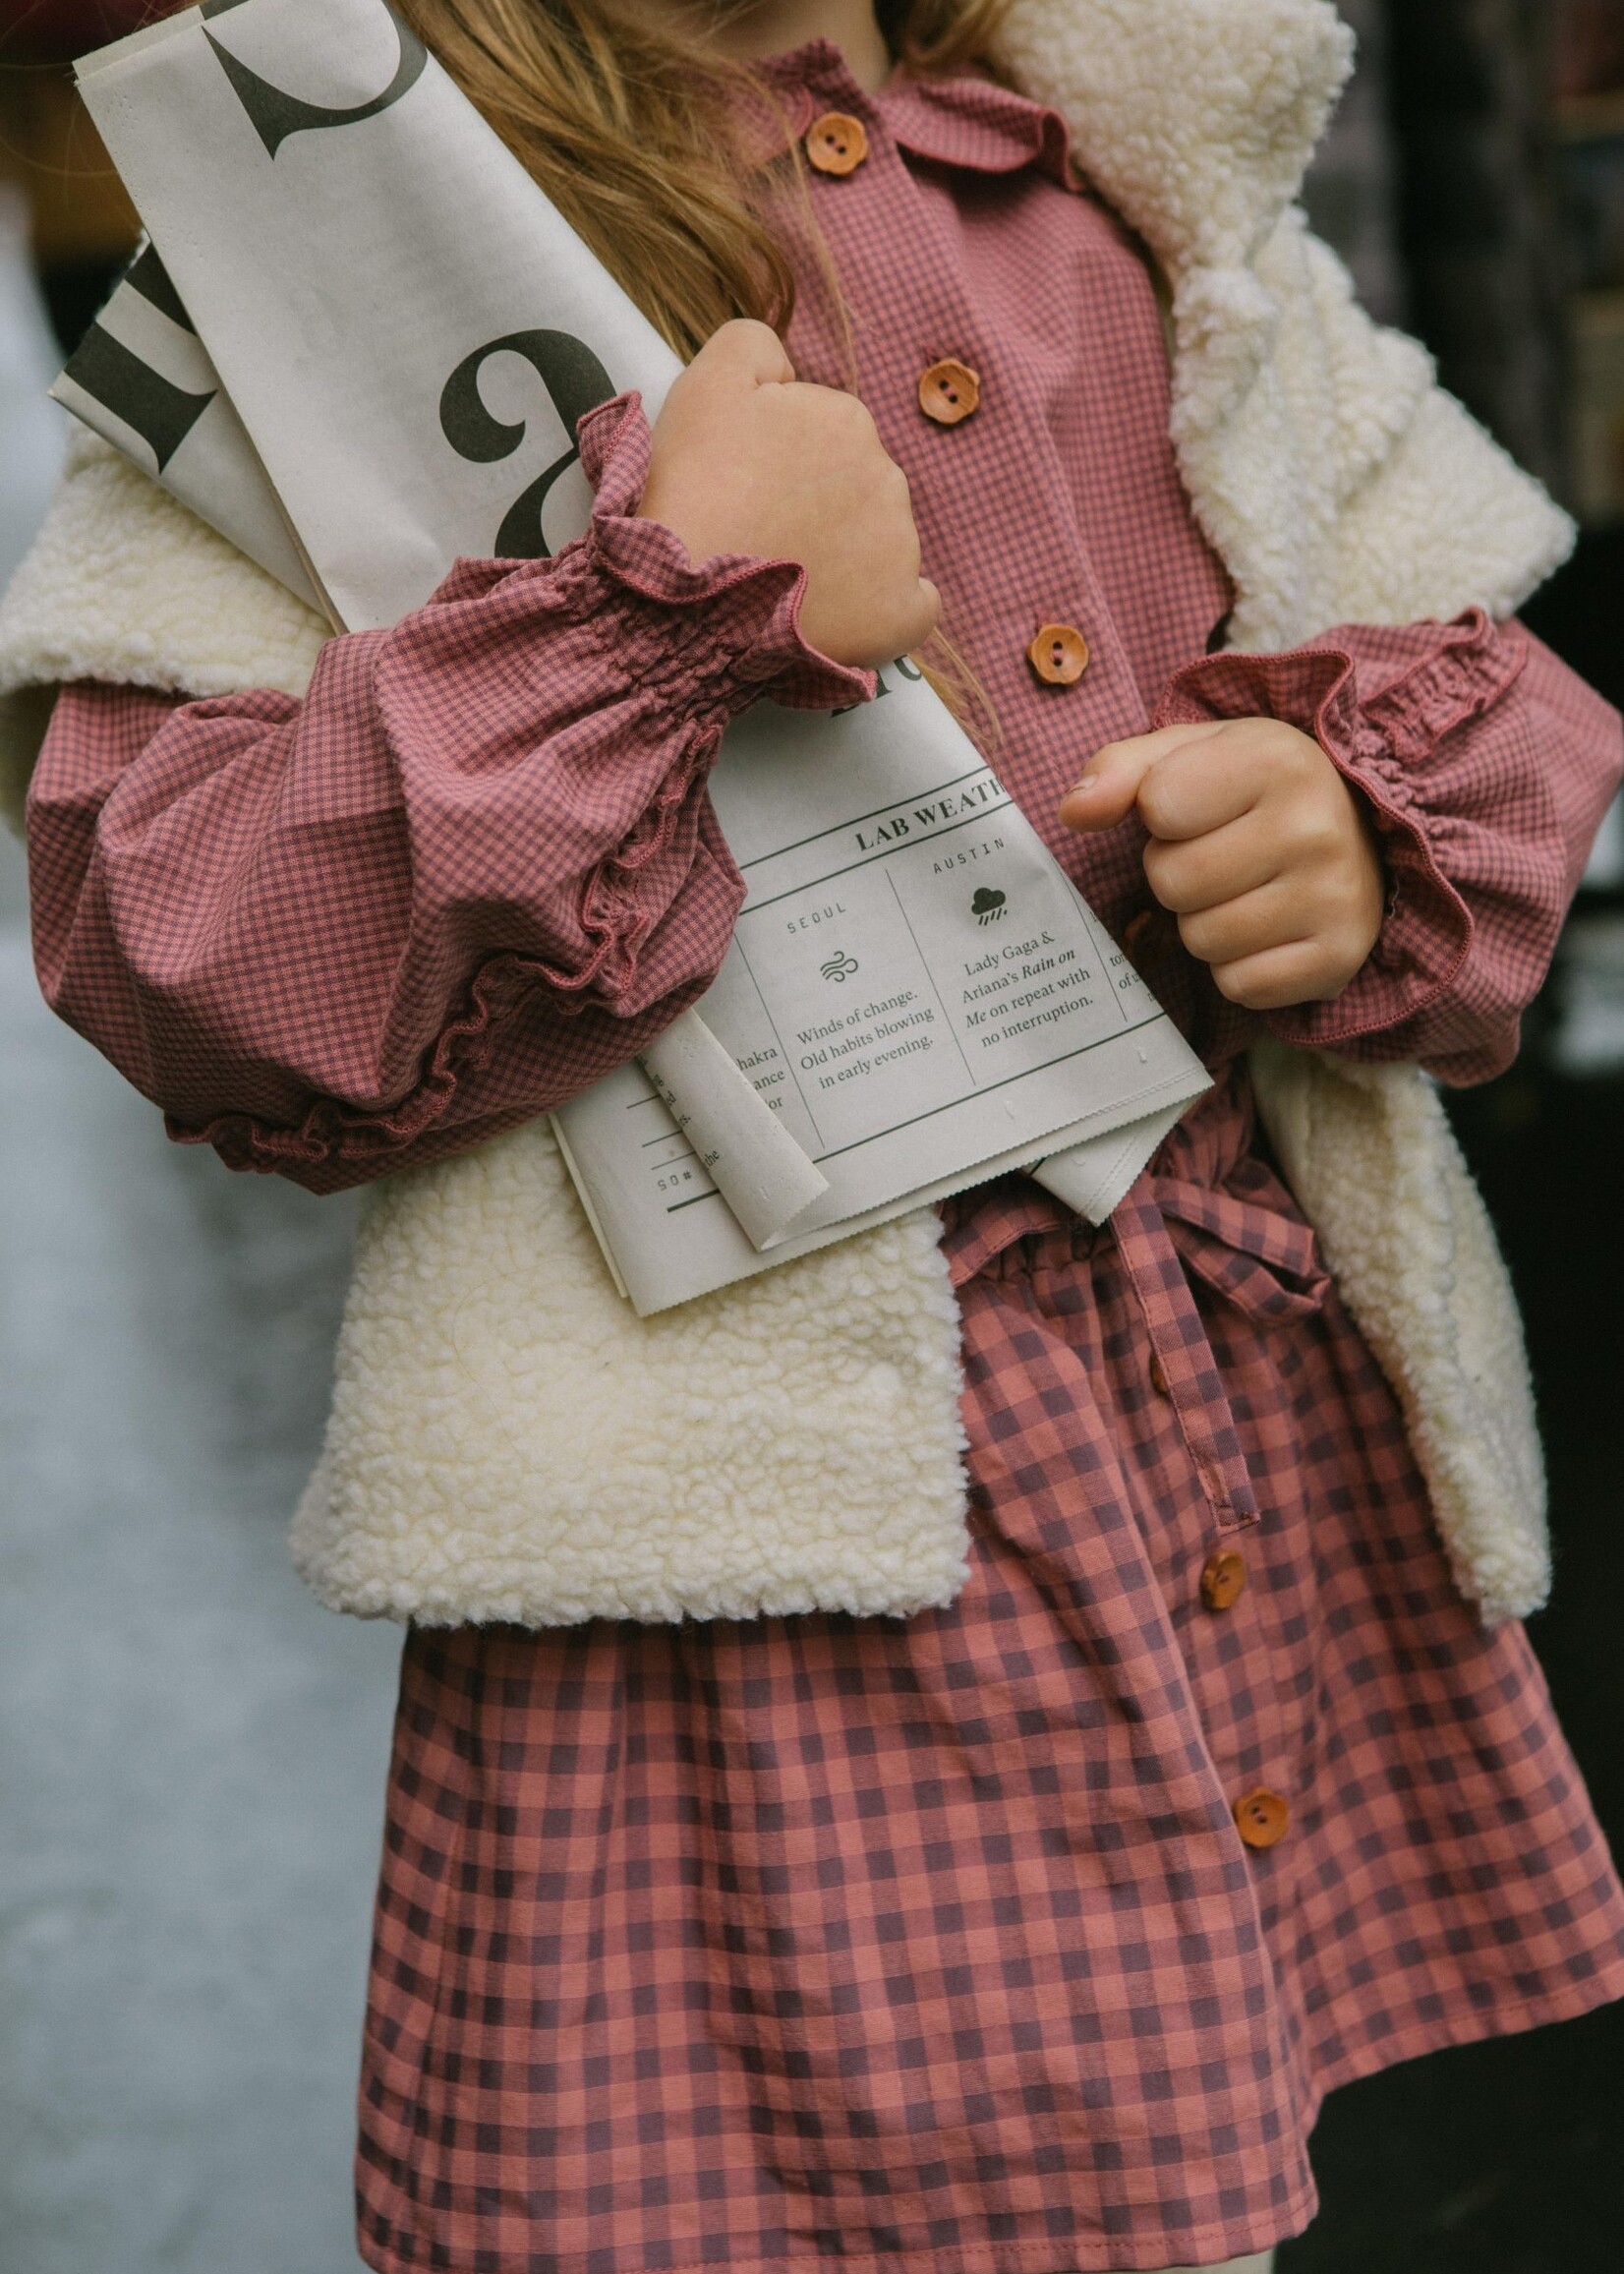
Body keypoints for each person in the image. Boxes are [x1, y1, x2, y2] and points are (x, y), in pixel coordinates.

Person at [6, 0, 1624, 2269]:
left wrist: (1348, 821)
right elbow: (185, 943)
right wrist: (647, 615)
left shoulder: (1132, 168)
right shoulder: (338, 237)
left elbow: (1460, 647)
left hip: (1217, 1432)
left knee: (1195, 2196)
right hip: (766, 1555)